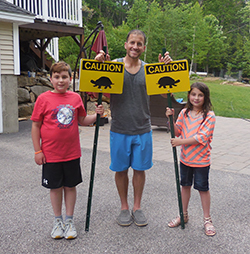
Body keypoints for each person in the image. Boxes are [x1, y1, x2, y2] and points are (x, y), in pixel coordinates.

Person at [94, 29, 172, 227]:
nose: (135, 47)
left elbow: (165, 95)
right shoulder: (114, 66)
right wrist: (98, 66)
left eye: (139, 44)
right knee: (120, 170)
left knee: (139, 169)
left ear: (144, 48)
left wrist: (166, 71)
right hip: (119, 128)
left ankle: (137, 207)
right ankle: (124, 207)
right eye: (132, 43)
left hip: (143, 129)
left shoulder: (149, 70)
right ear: (125, 45)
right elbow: (95, 90)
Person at [31, 61, 104, 239]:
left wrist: (97, 115)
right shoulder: (43, 99)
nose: (61, 80)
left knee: (70, 186)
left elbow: (82, 120)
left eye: (64, 77)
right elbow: (35, 125)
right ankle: (58, 221)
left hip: (71, 153)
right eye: (57, 77)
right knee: (55, 188)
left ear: (70, 79)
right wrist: (37, 150)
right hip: (50, 154)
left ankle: (69, 221)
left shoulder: (75, 98)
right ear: (51, 79)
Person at [165, 82, 216, 236]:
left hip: (201, 160)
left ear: (205, 97)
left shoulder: (209, 116)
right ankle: (183, 214)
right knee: (185, 186)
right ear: (188, 95)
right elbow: (177, 131)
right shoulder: (184, 112)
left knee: (202, 188)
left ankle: (207, 219)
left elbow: (202, 137)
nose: (196, 98)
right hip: (186, 159)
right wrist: (170, 119)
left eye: (200, 95)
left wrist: (180, 142)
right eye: (193, 94)